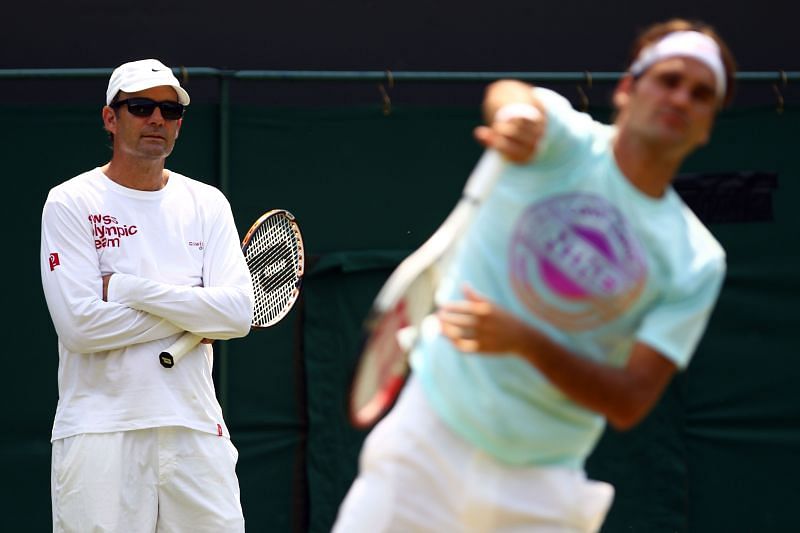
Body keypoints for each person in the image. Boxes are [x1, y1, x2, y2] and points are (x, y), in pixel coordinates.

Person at [333, 19, 737, 532]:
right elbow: (512, 94)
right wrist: (514, 114)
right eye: (668, 80)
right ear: (628, 88)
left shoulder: (697, 259)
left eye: (700, 95)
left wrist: (526, 341)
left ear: (707, 125)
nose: (680, 99)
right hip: (428, 438)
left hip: (542, 490)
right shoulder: (563, 143)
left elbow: (631, 399)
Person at [40, 59, 255, 532]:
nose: (157, 119)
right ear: (110, 118)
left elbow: (239, 313)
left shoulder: (208, 203)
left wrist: (125, 288)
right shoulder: (70, 201)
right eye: (141, 107)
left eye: (170, 110)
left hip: (195, 429)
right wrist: (196, 310)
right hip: (99, 431)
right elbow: (80, 326)